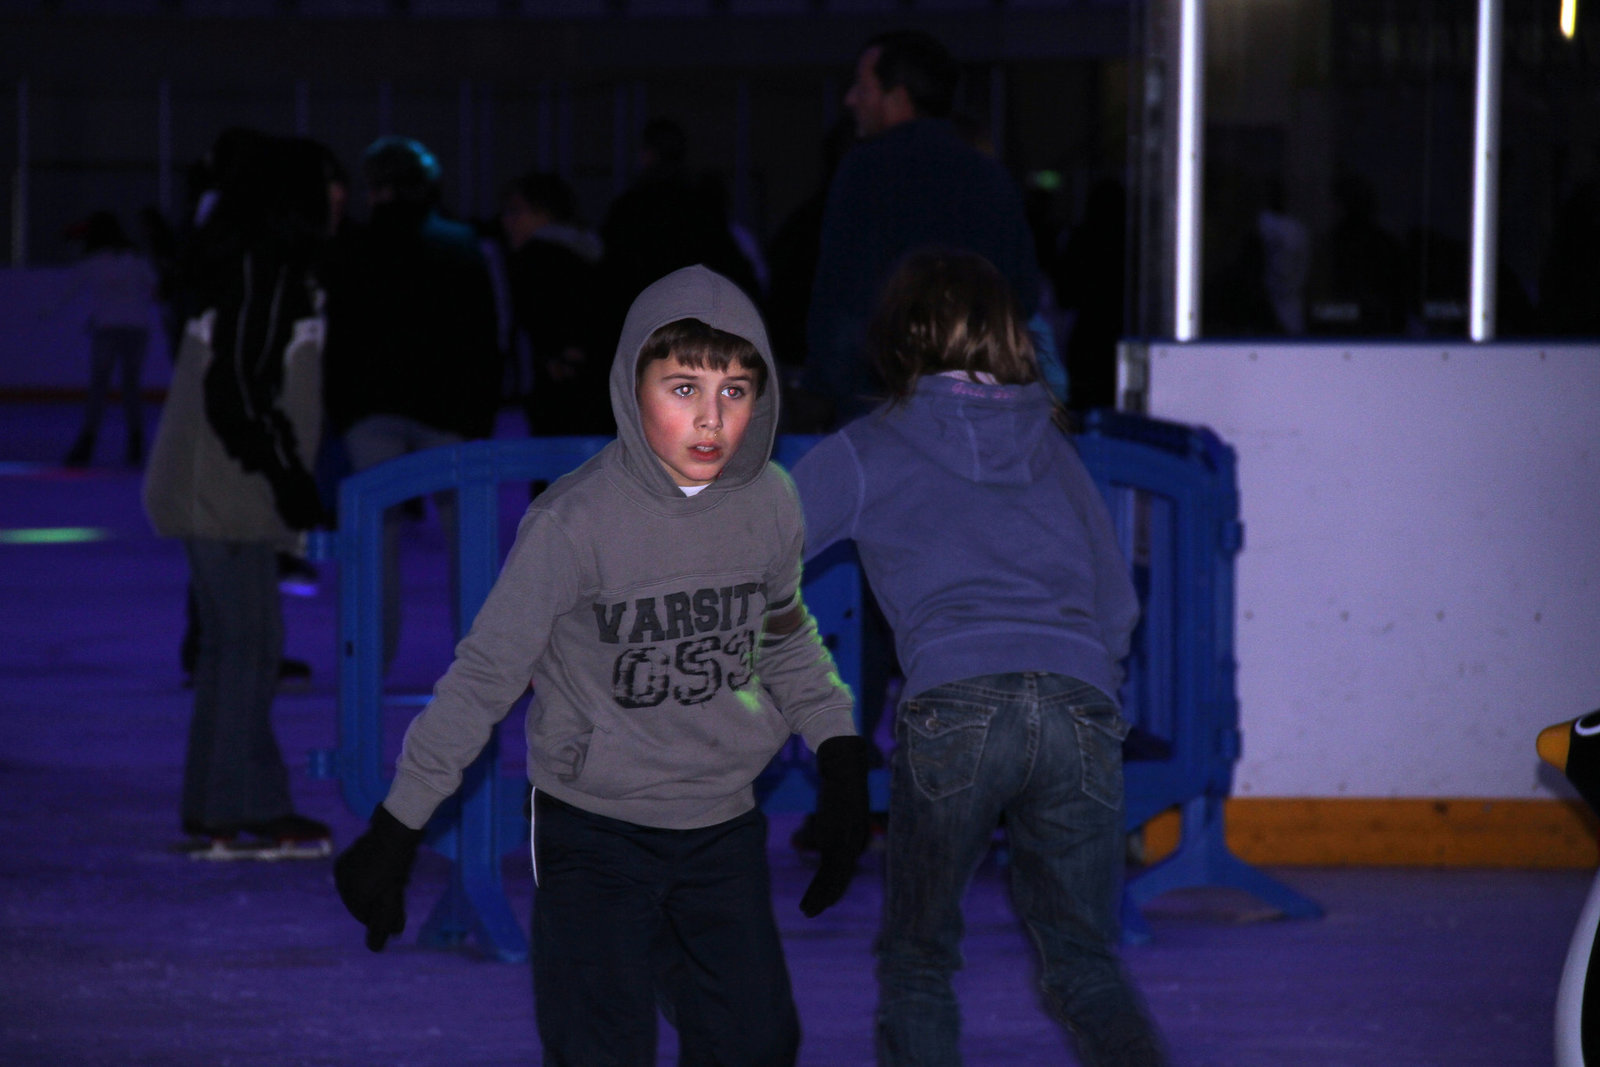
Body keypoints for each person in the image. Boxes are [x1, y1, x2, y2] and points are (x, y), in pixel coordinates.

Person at [333, 264, 872, 1065]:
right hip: (594, 830)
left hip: (719, 825)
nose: (711, 419)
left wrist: (840, 756)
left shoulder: (770, 503)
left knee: (756, 1042)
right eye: (683, 387)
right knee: (602, 1046)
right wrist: (397, 824)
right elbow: (484, 677)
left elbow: (786, 637)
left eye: (735, 390)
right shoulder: (572, 522)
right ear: (632, 383)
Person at [790, 249, 1168, 1067]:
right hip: (1077, 700)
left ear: (895, 341)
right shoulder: (1056, 450)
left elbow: (755, 544)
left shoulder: (867, 447)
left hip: (954, 701)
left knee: (920, 957)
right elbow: (1114, 602)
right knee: (1083, 963)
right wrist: (1099, 703)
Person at [141, 134, 339, 858]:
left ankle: (232, 803)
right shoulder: (263, 268)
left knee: (242, 647)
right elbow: (240, 390)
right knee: (248, 648)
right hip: (222, 483)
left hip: (223, 482)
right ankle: (236, 804)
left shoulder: (261, 264)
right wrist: (289, 477)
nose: (338, 196)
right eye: (327, 182)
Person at [322, 135, 502, 668]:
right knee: (466, 544)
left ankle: (370, 667)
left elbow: (336, 339)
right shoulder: (460, 244)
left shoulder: (349, 247)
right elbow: (483, 338)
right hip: (448, 413)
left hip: (370, 411)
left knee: (376, 542)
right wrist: (479, 417)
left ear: (373, 188)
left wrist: (342, 410)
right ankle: (480, 668)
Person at [806, 28, 1041, 426]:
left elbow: (842, 303)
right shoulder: (991, 177)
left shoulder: (867, 172)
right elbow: (1024, 298)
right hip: (983, 414)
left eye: (863, 88)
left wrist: (833, 396)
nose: (851, 100)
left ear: (898, 98)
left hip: (884, 412)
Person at [499, 169, 611, 438]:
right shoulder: (595, 252)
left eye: (516, 211)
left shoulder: (536, 258)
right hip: (597, 391)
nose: (507, 222)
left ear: (544, 212)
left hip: (556, 388)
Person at [53, 210, 158, 467]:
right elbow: (154, 285)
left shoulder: (95, 261)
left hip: (109, 328)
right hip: (135, 328)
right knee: (130, 387)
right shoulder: (134, 259)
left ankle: (87, 443)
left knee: (99, 388)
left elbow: (68, 291)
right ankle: (135, 443)